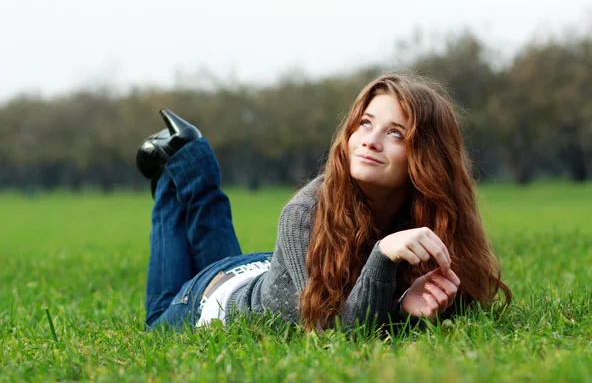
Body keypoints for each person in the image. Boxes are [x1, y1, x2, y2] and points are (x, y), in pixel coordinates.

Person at [136, 73, 511, 332]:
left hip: (267, 271)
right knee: (158, 321)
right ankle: (177, 170)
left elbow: (457, 307)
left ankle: (186, 157)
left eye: (394, 132)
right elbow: (327, 331)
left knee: (217, 249)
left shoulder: (433, 216)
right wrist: (382, 254)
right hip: (213, 300)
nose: (370, 140)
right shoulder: (305, 210)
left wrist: (410, 308)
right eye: (365, 123)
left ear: (428, 157)